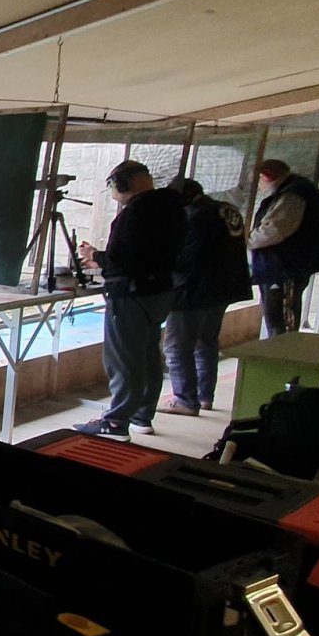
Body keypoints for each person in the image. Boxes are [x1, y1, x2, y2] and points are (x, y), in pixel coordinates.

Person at [74, 161, 186, 442]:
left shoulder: (136, 212)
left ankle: (115, 422)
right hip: (159, 290)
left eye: (113, 185)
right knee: (148, 355)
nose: (113, 192)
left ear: (124, 184)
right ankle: (141, 416)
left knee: (124, 360)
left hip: (131, 293)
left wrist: (95, 256)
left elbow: (120, 258)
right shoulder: (172, 207)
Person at [158, 178, 253, 416]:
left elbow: (186, 257)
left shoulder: (197, 217)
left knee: (177, 347)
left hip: (195, 290)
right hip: (223, 288)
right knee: (206, 343)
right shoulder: (225, 209)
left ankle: (185, 400)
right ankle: (204, 396)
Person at [249, 159, 319, 336]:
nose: (257, 187)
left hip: (285, 267)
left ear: (267, 176)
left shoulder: (293, 194)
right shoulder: (296, 189)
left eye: (256, 181)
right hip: (283, 266)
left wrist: (246, 240)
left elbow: (274, 230)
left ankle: (284, 350)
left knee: (282, 319)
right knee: (275, 316)